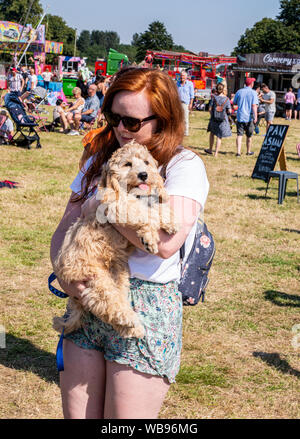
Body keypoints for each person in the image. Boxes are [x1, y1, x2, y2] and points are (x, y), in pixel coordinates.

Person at [50, 67, 209, 419]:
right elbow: (64, 226)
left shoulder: (184, 166)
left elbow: (164, 244)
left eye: (132, 122)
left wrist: (101, 205)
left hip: (146, 307)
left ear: (163, 118)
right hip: (87, 295)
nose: (121, 128)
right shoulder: (99, 159)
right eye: (114, 117)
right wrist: (63, 273)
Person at [233, 77, 258, 156]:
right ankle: (248, 151)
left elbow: (234, 103)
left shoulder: (239, 91)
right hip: (249, 117)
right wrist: (256, 117)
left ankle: (238, 152)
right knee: (249, 135)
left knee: (239, 135)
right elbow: (254, 105)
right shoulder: (254, 93)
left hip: (240, 116)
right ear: (251, 84)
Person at [205, 83, 232, 157]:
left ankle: (210, 149)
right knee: (219, 136)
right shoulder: (226, 99)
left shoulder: (214, 98)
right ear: (223, 90)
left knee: (212, 134)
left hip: (214, 119)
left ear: (216, 89)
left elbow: (210, 109)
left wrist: (212, 115)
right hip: (222, 120)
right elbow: (229, 111)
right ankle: (216, 153)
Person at [177, 70, 194, 136]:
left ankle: (185, 132)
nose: (182, 77)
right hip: (178, 103)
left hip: (185, 103)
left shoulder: (190, 84)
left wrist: (191, 104)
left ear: (186, 76)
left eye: (183, 76)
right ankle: (179, 131)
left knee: (185, 118)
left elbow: (192, 95)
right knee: (178, 118)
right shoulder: (177, 83)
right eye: (181, 76)